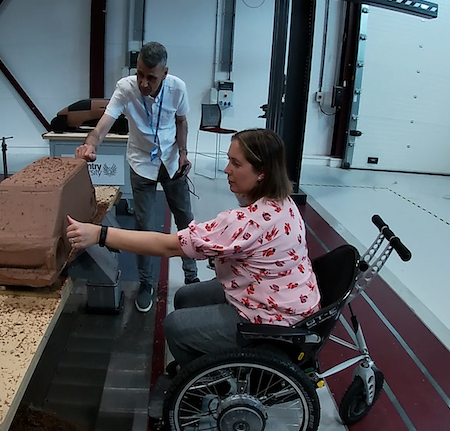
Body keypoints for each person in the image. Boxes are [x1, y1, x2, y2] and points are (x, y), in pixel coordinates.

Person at [67, 128, 321, 369]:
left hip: (271, 319)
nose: (227, 169)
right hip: (288, 301)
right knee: (185, 297)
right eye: (228, 160)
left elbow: (167, 246)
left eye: (236, 163)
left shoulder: (245, 223)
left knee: (176, 326)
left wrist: (99, 235)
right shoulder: (284, 202)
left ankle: (206, 384)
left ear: (262, 172)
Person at [75, 41, 198, 313]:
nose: (143, 82)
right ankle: (146, 283)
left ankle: (192, 279)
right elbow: (103, 124)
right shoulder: (126, 89)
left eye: (151, 77)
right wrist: (91, 144)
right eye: (140, 73)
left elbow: (181, 121)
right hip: (141, 163)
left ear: (164, 73)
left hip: (171, 161)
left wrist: (183, 152)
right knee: (145, 226)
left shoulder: (178, 88)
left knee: (185, 221)